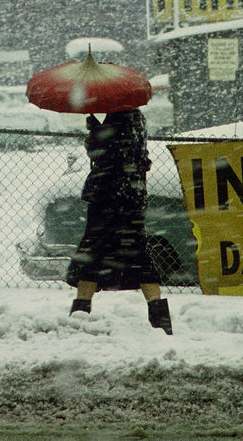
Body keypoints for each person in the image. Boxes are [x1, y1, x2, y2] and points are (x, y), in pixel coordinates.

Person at [66, 108, 173, 334]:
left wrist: (94, 131)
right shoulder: (136, 119)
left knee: (92, 252)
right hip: (131, 197)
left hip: (108, 197)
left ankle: (80, 313)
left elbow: (103, 155)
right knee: (137, 253)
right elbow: (130, 156)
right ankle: (159, 317)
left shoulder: (116, 120)